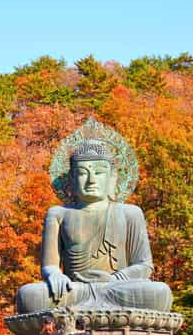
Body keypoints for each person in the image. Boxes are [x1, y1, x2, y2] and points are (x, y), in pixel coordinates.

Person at [15, 123, 173, 315]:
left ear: (113, 178)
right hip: (74, 291)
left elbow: (144, 265)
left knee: (159, 292)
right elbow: (49, 265)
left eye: (99, 173)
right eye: (82, 173)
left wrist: (115, 280)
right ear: (71, 180)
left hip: (117, 288)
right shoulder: (58, 214)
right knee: (29, 295)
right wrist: (55, 275)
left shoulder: (130, 213)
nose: (91, 180)